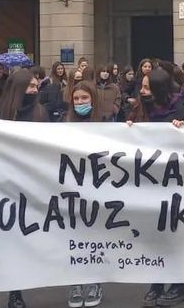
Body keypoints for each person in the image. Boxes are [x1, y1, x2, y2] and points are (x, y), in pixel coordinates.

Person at [0, 69, 45, 308]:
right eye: (30, 86)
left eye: (36, 86)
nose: (34, 90)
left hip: (23, 188)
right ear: (18, 88)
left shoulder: (39, 114)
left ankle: (16, 293)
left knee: (17, 243)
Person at [126, 68, 184, 308]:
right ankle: (156, 280)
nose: (141, 91)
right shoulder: (140, 109)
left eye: (146, 88)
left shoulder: (178, 107)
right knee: (153, 234)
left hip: (173, 182)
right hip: (147, 181)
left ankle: (178, 285)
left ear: (159, 90)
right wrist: (128, 129)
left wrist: (182, 128)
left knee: (172, 235)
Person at [64, 80, 106, 308]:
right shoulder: (64, 123)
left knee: (95, 238)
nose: (80, 102)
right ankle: (76, 283)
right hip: (72, 190)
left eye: (84, 98)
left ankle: (95, 282)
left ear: (93, 100)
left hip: (98, 190)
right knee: (75, 237)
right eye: (76, 99)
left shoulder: (106, 123)